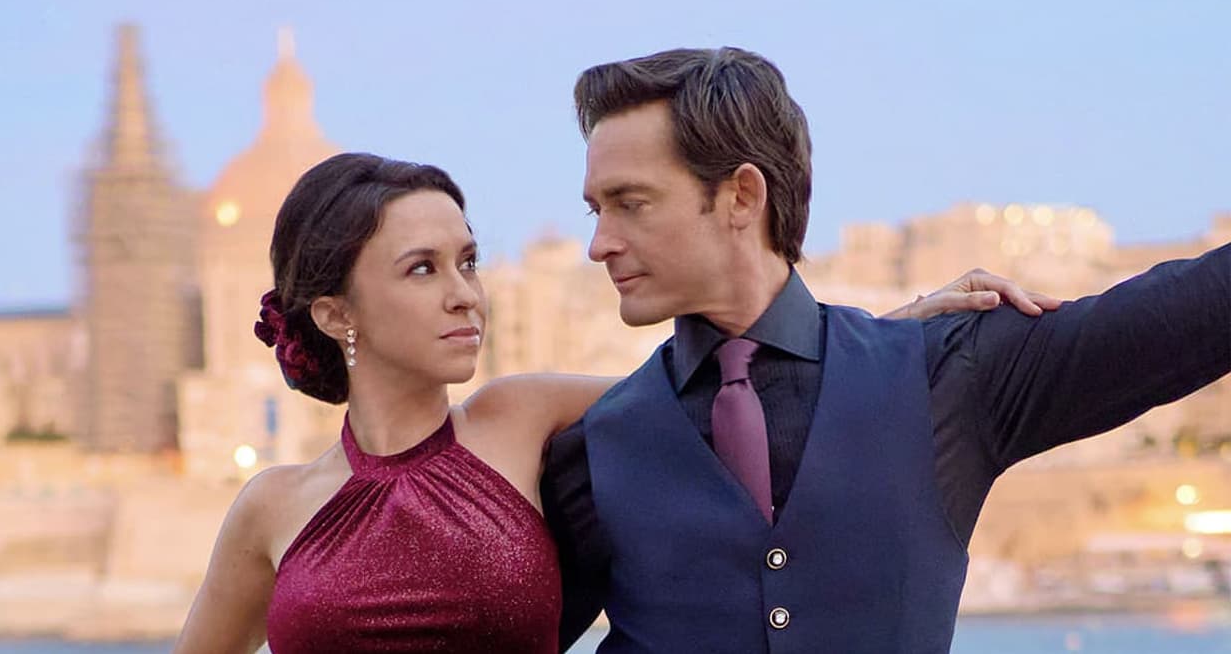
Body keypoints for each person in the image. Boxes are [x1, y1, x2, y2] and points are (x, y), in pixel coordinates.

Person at [170, 152, 1050, 653]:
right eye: (422, 270)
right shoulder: (272, 508)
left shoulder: (520, 418)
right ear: (335, 314)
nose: (465, 295)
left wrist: (897, 331)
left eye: (468, 261)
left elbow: (736, 379)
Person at [542, 47, 1231, 653]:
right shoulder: (594, 449)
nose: (599, 244)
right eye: (596, 210)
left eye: (630, 203)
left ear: (742, 196)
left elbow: (1196, 311)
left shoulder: (947, 374)